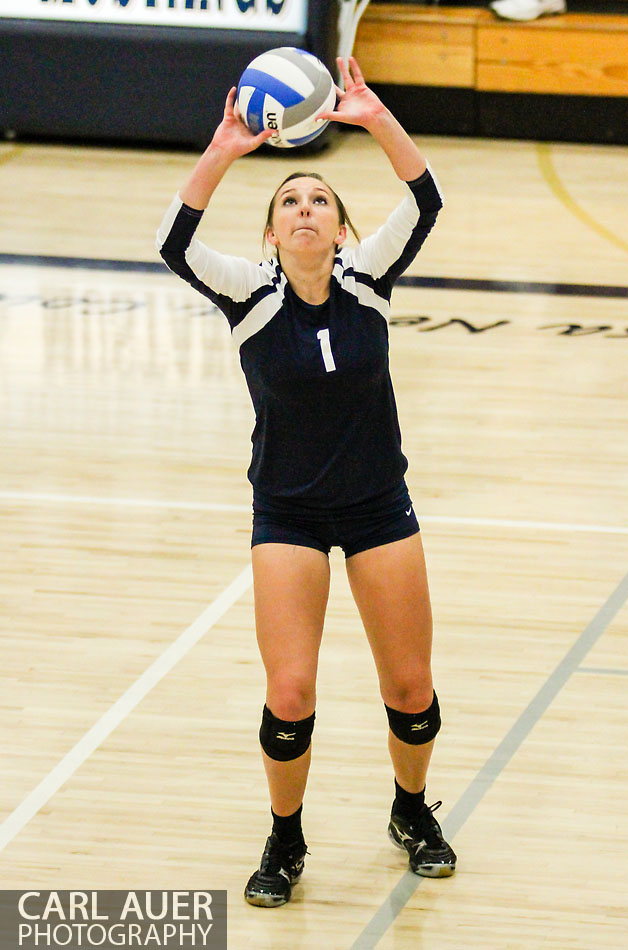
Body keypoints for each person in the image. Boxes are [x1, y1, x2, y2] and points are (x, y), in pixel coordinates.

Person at [156, 55, 456, 908]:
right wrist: (221, 149)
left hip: (376, 506)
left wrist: (371, 117)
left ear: (340, 228)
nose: (303, 208)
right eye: (287, 201)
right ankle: (284, 837)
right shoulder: (248, 294)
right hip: (285, 510)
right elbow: (173, 244)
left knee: (410, 690)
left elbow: (426, 198)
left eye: (318, 200)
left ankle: (410, 811)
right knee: (289, 690)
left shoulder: (369, 282)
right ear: (271, 233)